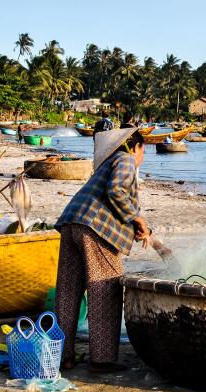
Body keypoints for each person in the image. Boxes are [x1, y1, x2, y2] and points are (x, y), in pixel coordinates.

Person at [54, 127, 150, 373]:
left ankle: (61, 357)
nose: (142, 157)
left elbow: (110, 197)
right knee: (104, 289)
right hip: (94, 230)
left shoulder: (108, 163)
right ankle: (101, 359)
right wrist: (138, 218)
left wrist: (135, 225)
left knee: (67, 293)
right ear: (136, 147)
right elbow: (116, 191)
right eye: (144, 151)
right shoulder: (126, 159)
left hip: (71, 223)